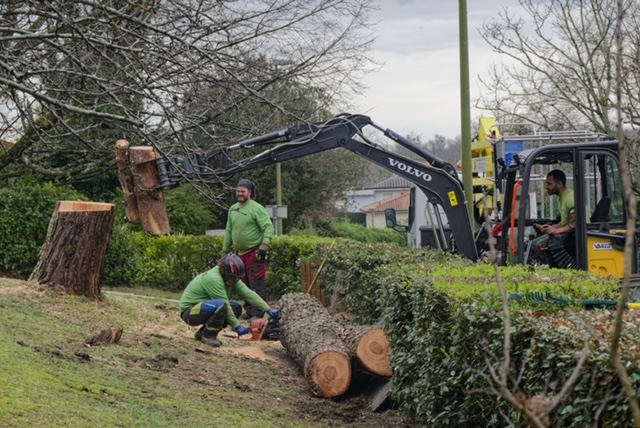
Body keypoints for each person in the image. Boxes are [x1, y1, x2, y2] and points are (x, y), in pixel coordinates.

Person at [179, 253, 280, 348]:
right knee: (221, 306)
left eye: (237, 279)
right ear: (224, 272)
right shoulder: (213, 279)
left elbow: (249, 294)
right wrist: (237, 326)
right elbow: (225, 304)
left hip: (205, 307)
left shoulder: (232, 279)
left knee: (236, 308)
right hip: (189, 312)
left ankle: (203, 332)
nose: (235, 281)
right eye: (233, 278)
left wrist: (267, 309)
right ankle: (208, 336)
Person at [223, 179, 274, 318]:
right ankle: (249, 310)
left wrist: (264, 245)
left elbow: (268, 227)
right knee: (243, 284)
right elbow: (229, 230)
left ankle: (258, 313)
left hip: (254, 252)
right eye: (238, 191)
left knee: (257, 283)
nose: (239, 194)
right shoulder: (233, 209)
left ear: (249, 193)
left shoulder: (257, 208)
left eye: (242, 191)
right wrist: (225, 250)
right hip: (239, 254)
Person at [529, 169, 575, 265]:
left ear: (559, 184)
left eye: (549, 184)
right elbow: (565, 222)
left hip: (574, 237)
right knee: (534, 242)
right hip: (567, 233)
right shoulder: (561, 198)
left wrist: (556, 231)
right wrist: (551, 228)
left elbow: (577, 224)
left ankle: (545, 270)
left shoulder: (570, 198)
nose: (547, 187)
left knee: (538, 245)